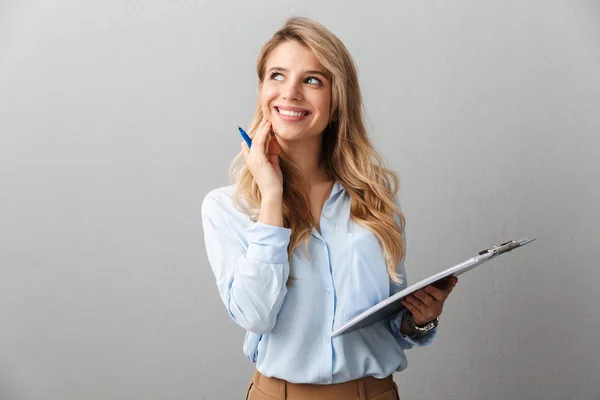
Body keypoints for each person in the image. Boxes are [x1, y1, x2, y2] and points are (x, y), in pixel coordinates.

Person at [201, 16, 458, 400]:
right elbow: (255, 316)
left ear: (337, 100)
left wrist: (419, 321)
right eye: (276, 75)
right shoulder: (227, 207)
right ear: (261, 89)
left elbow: (387, 325)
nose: (289, 93)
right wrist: (272, 198)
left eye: (312, 80)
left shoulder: (375, 199)